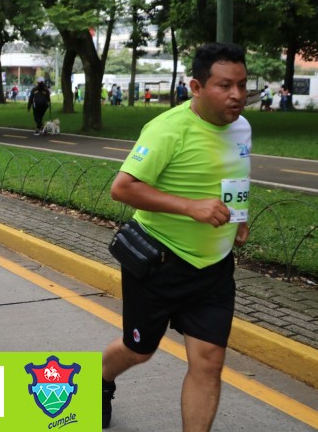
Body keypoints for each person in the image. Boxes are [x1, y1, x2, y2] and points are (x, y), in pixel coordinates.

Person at [101, 42, 251, 430]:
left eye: (242, 84)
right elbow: (123, 188)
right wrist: (191, 207)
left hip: (214, 268)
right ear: (196, 87)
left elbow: (234, 174)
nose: (236, 95)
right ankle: (100, 380)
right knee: (139, 350)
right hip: (160, 264)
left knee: (209, 361)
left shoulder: (242, 127)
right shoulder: (167, 128)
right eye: (224, 85)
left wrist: (239, 217)